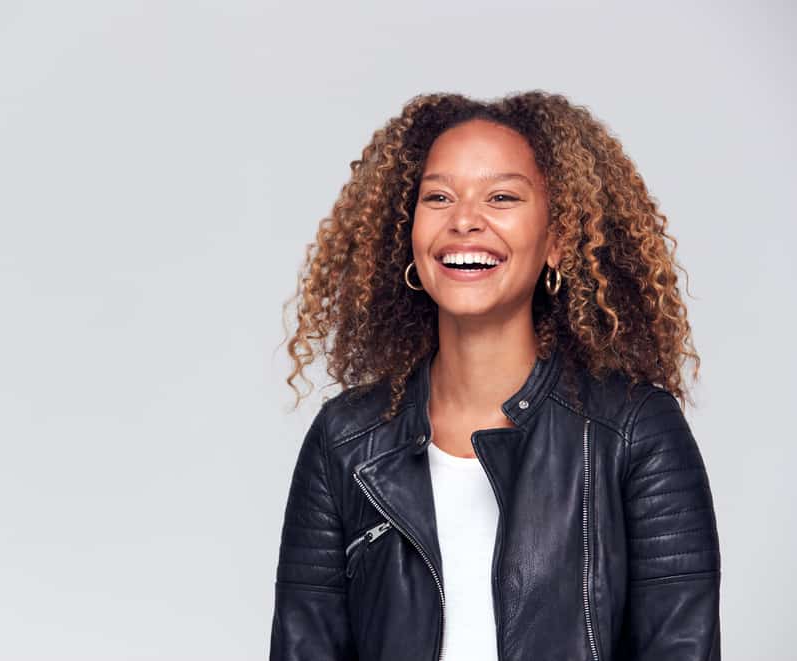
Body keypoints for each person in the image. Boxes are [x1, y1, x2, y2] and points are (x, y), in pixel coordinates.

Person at [269, 91, 722, 661]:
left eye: (501, 196)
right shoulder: (346, 439)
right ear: (407, 234)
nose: (464, 220)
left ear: (558, 239)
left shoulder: (633, 432)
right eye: (438, 197)